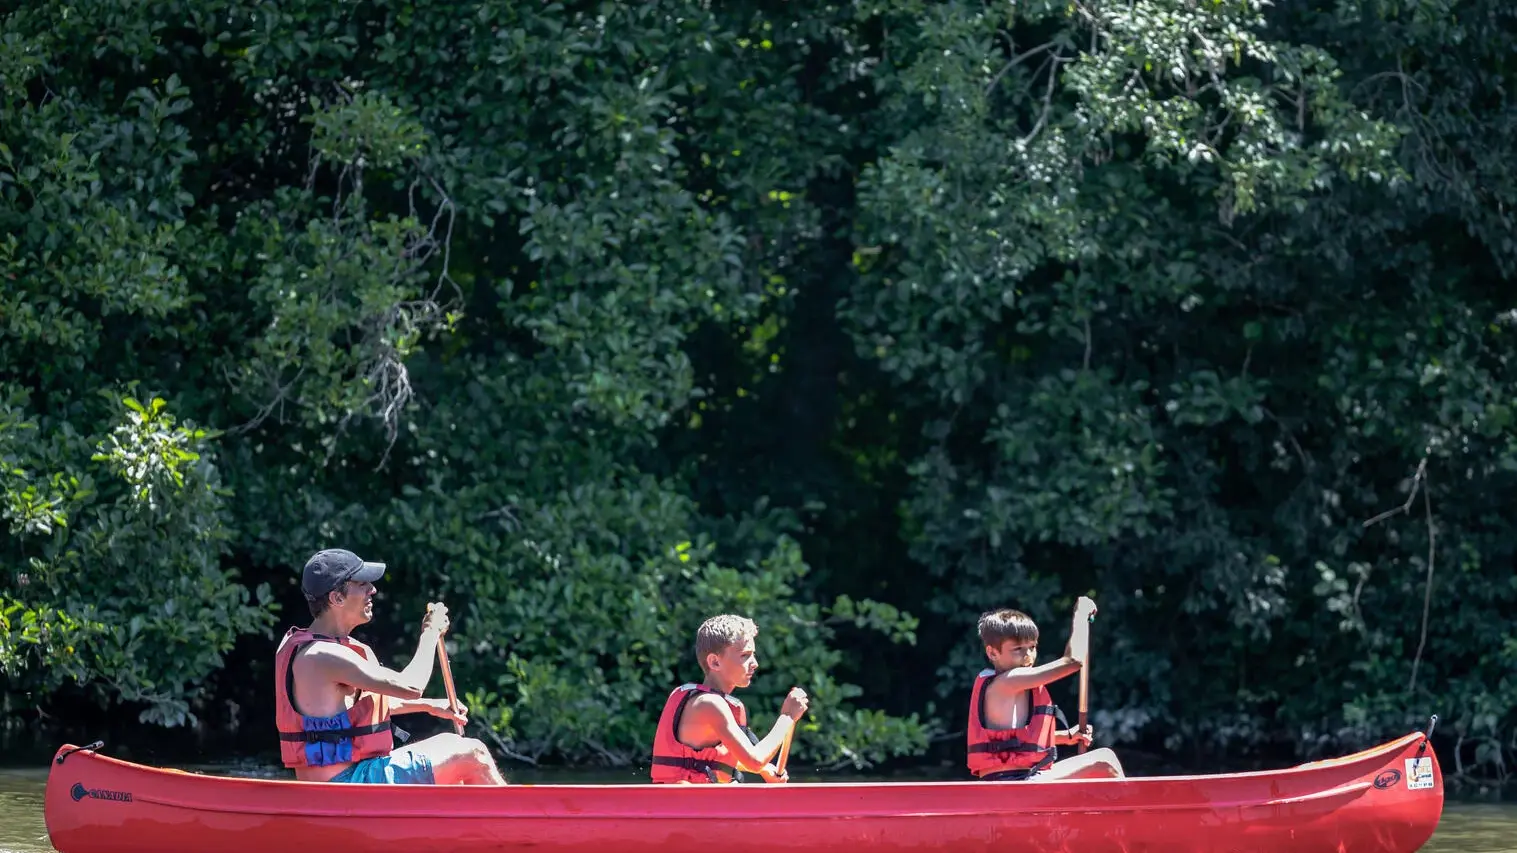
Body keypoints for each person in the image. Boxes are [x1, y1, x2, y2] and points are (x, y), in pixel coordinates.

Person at [273, 547, 506, 785]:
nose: (372, 589)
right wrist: (430, 633)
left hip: (347, 780)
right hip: (347, 784)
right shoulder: (322, 655)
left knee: (455, 770)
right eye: (361, 583)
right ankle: (522, 820)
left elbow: (361, 707)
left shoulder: (328, 648)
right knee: (472, 753)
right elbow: (412, 686)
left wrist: (429, 705)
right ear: (337, 598)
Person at [967, 596, 1125, 781]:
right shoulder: (1008, 681)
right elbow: (1073, 662)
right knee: (1105, 760)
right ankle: (1139, 811)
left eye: (1032, 647)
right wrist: (1080, 615)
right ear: (993, 652)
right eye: (1018, 649)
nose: (1028, 656)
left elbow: (1015, 741)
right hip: (1014, 781)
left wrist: (1066, 737)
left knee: (1095, 775)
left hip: (1016, 780)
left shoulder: (1010, 685)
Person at [650, 614, 809, 783]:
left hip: (695, 804)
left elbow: (712, 758)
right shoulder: (709, 704)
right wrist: (787, 717)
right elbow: (754, 760)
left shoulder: (712, 703)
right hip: (682, 806)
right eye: (745, 655)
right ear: (715, 662)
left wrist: (764, 768)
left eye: (753, 655)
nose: (754, 663)